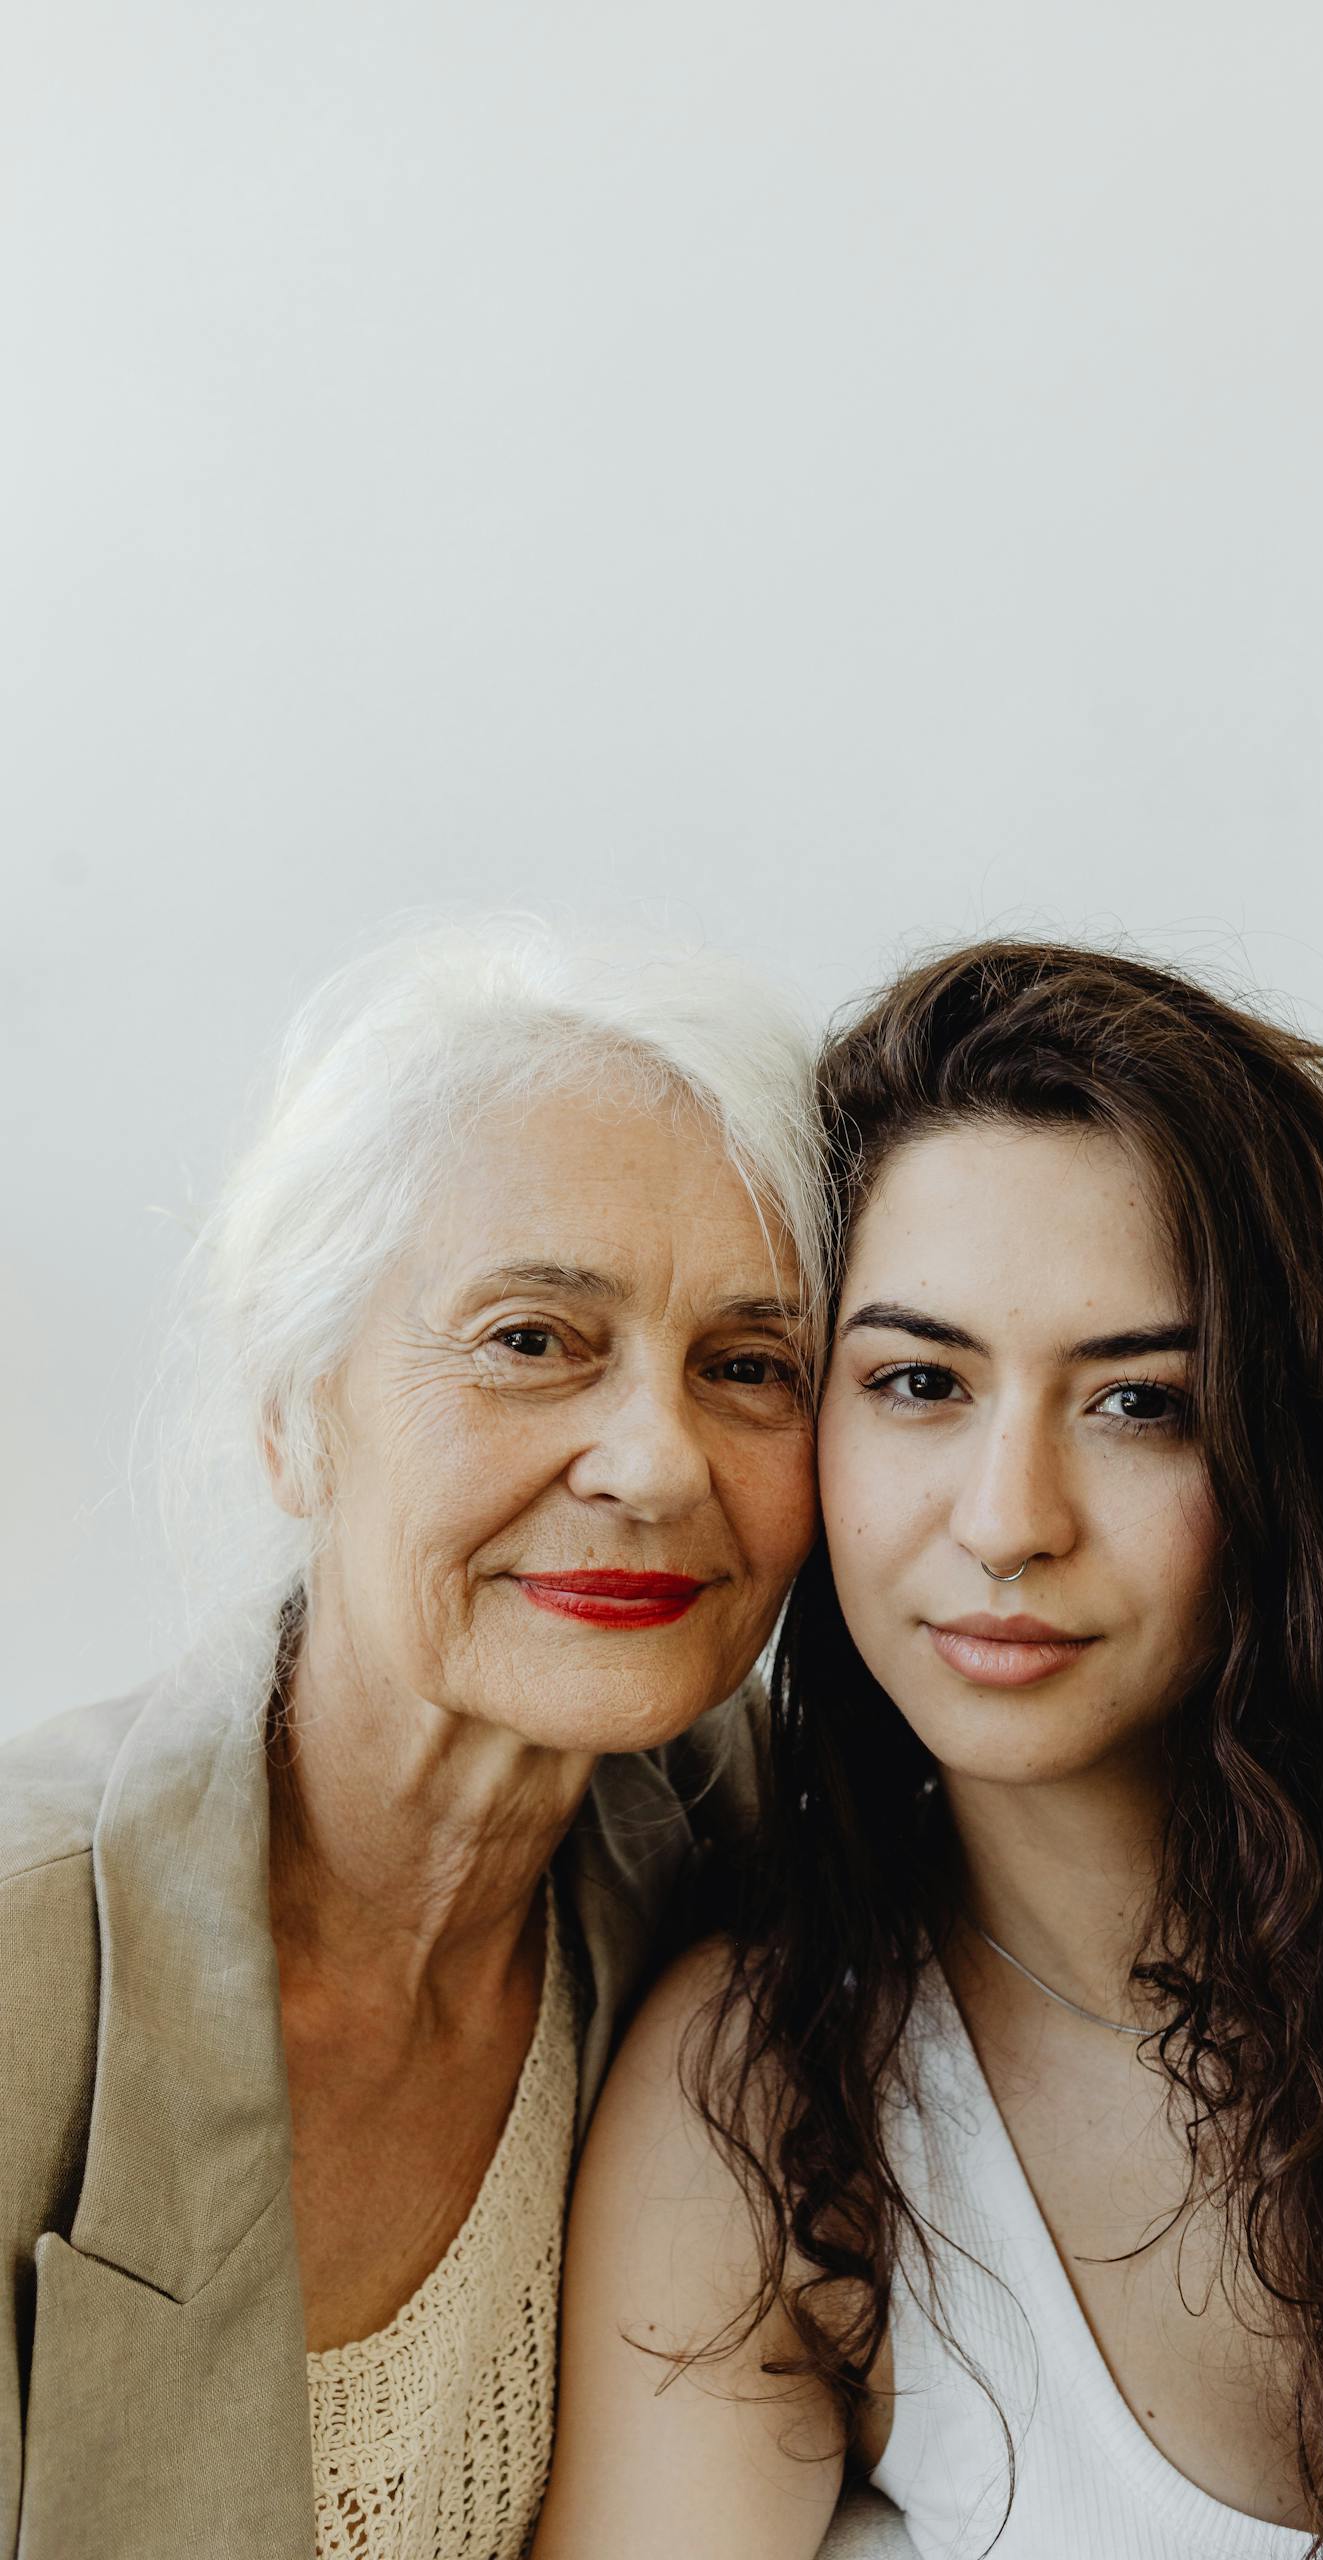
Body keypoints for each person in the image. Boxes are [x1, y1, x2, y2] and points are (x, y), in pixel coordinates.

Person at [540, 939, 1323, 2559]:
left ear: (1303, 1443)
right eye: (919, 1381)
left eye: (1141, 1403)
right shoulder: (762, 2101)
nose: (1009, 1522)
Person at [1, 914, 899, 2560]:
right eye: (532, 1341)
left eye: (749, 1365)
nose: (652, 1462)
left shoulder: (760, 1864)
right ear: (291, 1411)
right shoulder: (24, 1954)